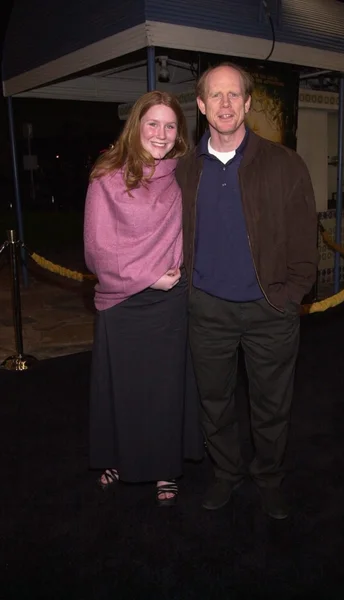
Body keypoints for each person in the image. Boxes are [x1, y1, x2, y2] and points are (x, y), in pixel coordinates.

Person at [176, 63, 318, 518]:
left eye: (233, 95)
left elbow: (304, 240)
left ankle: (270, 478)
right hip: (208, 310)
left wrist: (290, 295)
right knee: (214, 402)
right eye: (214, 96)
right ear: (200, 106)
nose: (224, 104)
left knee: (272, 405)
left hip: (269, 309)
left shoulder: (284, 163)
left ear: (248, 103)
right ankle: (226, 474)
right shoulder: (183, 171)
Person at [84, 90, 202, 507]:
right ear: (136, 125)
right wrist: (150, 277)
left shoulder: (181, 174)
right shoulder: (107, 175)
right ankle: (119, 456)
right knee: (123, 387)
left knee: (164, 389)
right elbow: (97, 250)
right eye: (153, 123)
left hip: (169, 302)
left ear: (179, 133)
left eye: (170, 125)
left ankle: (164, 467)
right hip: (122, 300)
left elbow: (191, 229)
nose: (161, 133)